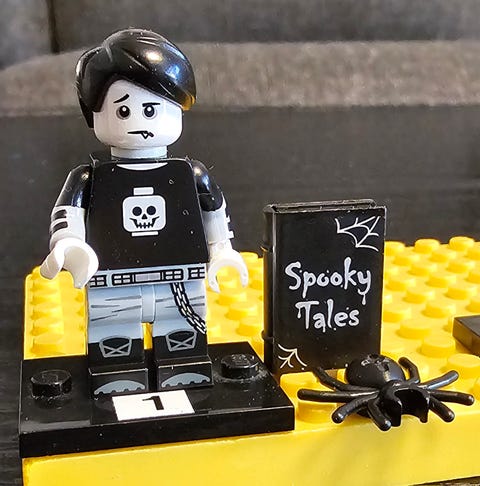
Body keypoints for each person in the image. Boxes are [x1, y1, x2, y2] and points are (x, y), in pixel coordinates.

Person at [40, 28, 248, 396]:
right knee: (113, 338)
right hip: (111, 279)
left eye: (150, 108)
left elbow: (213, 209)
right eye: (123, 110)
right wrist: (69, 244)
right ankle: (116, 378)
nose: (139, 120)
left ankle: (184, 374)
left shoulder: (190, 174)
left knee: (183, 336)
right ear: (95, 114)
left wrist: (222, 249)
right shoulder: (90, 177)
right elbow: (67, 213)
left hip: (180, 277)